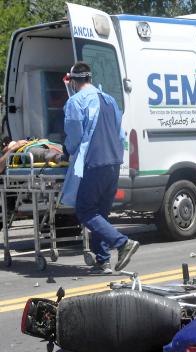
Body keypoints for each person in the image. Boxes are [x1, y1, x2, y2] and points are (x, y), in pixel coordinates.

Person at [60, 62, 139, 274]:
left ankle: (122, 244)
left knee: (85, 210)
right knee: (100, 214)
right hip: (114, 160)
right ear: (91, 78)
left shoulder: (75, 102)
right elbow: (119, 132)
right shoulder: (109, 100)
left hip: (93, 161)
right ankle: (102, 261)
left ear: (74, 82)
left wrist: (66, 152)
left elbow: (74, 136)